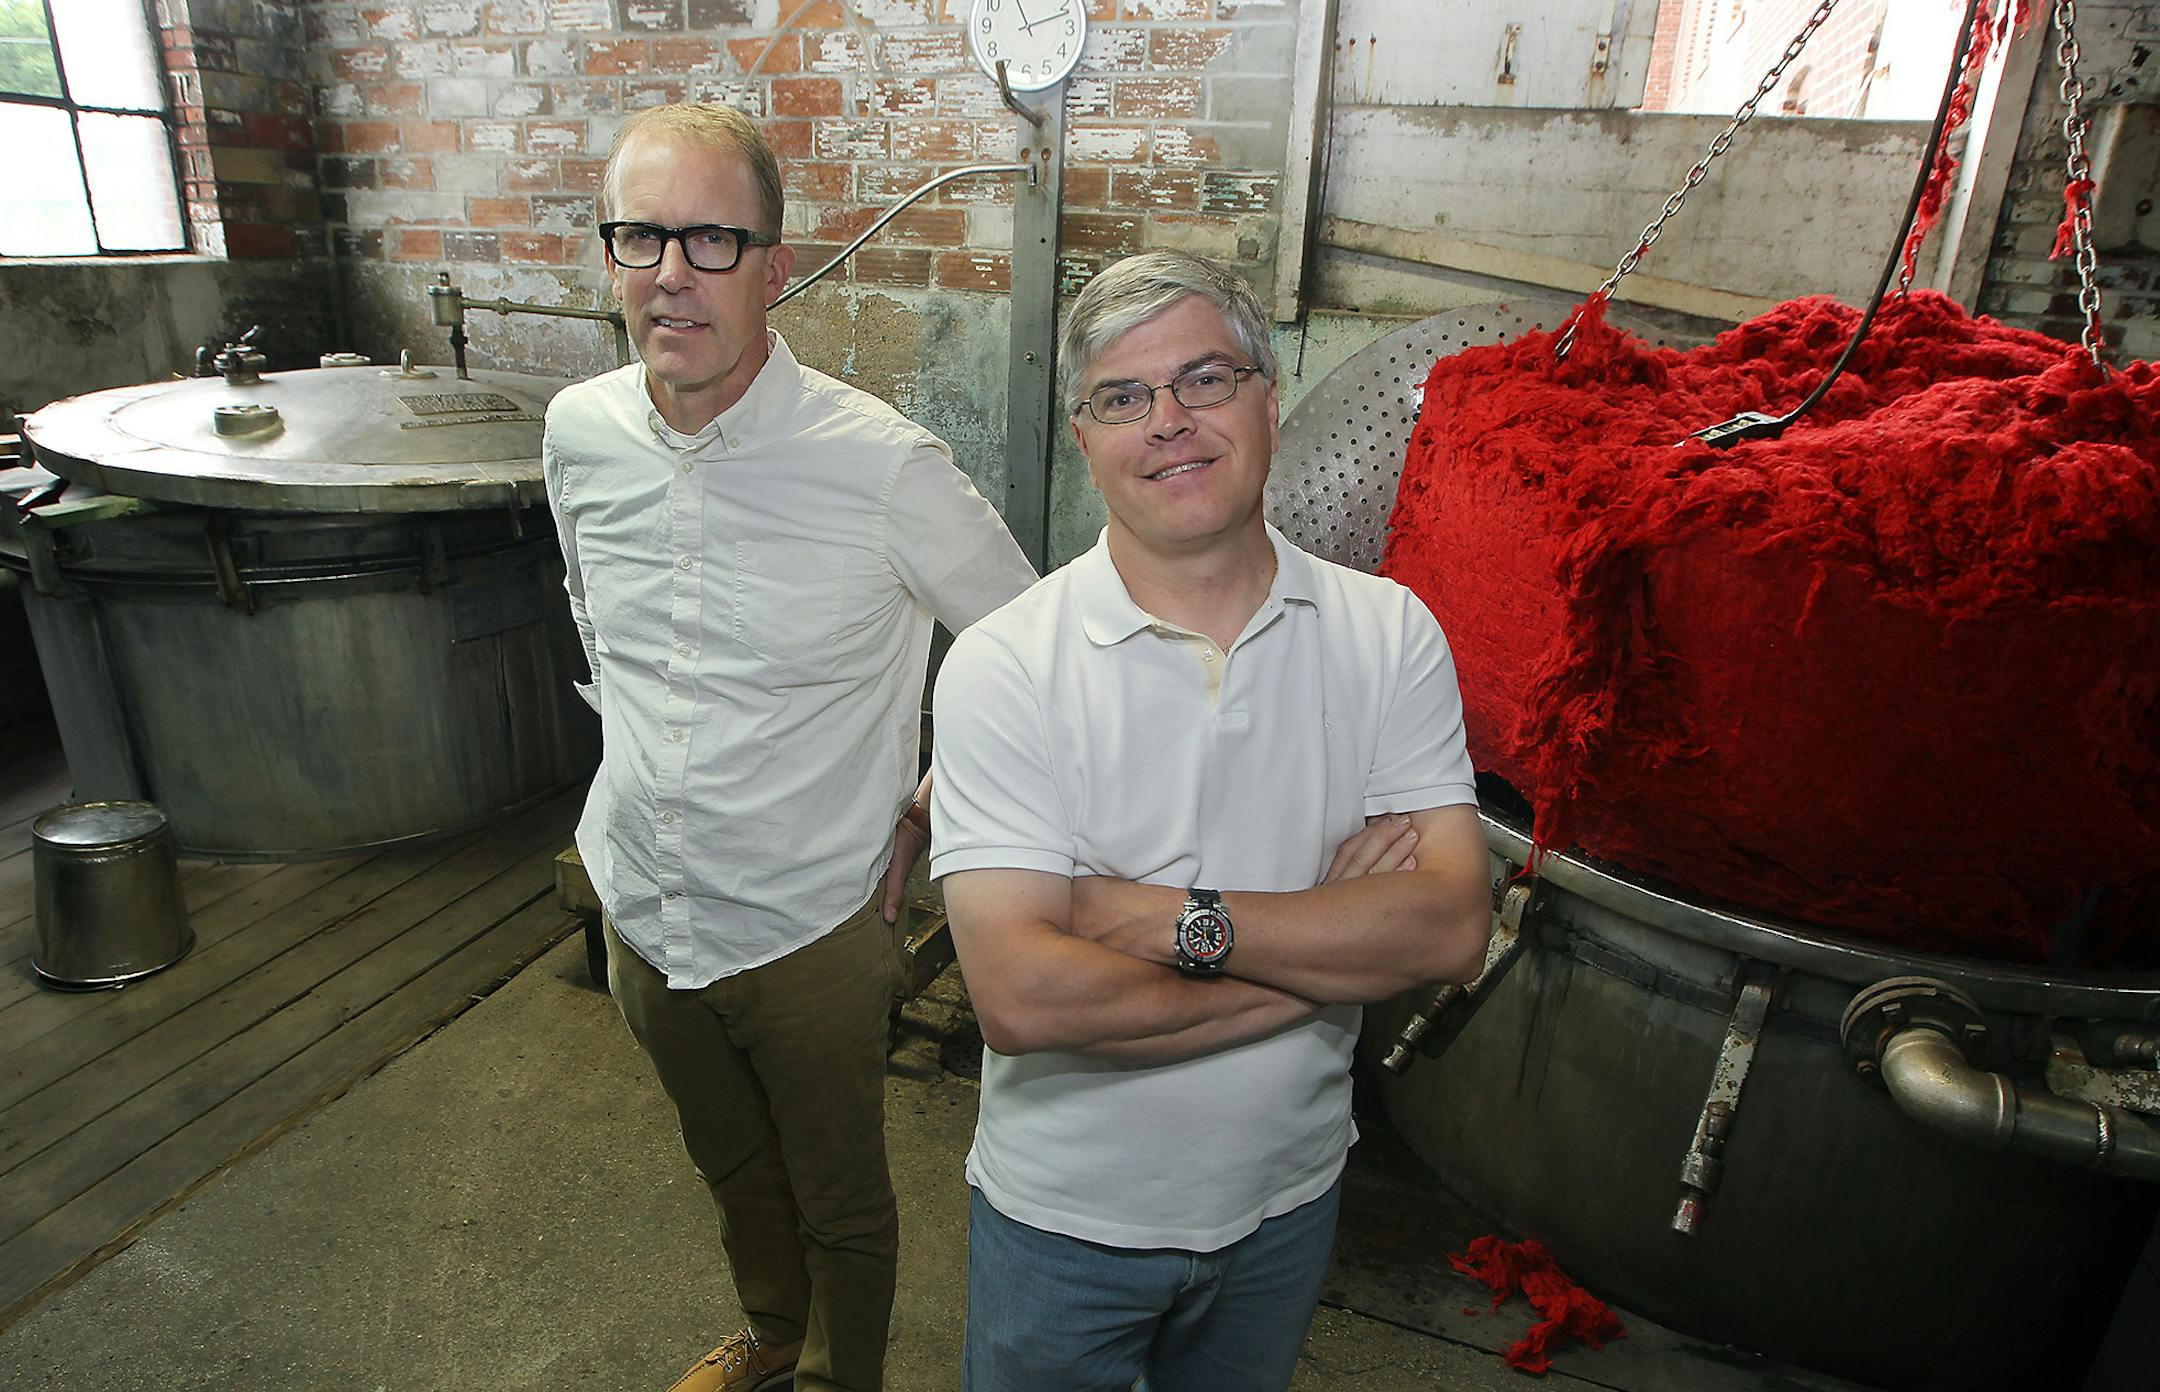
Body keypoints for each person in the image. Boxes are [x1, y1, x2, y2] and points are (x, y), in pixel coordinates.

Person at [928, 250, 1495, 1392]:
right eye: (1123, 397)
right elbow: (1023, 998)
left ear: (1268, 401)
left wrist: (1152, 918)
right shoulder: (1004, 666)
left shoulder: (1389, 634)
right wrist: (1328, 958)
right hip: (1066, 1221)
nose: (1169, 422)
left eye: (1205, 379)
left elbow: (1448, 930)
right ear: (1084, 439)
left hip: (1287, 1201)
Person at [541, 102, 1036, 1392]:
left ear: (774, 265)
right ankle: (771, 1337)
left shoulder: (882, 469)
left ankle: (835, 1376)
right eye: (641, 237)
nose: (672, 275)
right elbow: (599, 627)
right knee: (731, 1165)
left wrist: (929, 806)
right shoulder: (578, 432)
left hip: (808, 924)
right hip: (642, 900)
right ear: (609, 255)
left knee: (841, 1202)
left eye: (712, 240)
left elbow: (1040, 663)